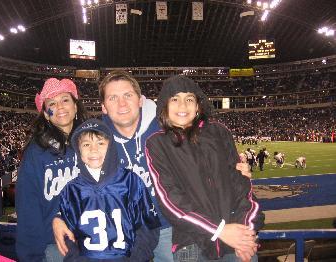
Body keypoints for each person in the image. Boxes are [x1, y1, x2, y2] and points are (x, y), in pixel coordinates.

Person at [53, 71, 252, 261]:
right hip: (124, 232)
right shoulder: (97, 136)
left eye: (128, 95)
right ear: (103, 106)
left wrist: (234, 170)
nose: (122, 103)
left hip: (173, 227)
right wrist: (60, 215)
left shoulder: (167, 126)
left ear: (140, 100)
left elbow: (204, 154)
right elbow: (79, 178)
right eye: (113, 98)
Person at [145, 75, 264, 261]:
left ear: (198, 106)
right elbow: (171, 201)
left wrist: (246, 234)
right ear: (164, 106)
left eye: (189, 99)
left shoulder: (219, 132)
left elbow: (241, 185)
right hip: (193, 240)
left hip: (236, 237)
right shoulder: (157, 144)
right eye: (175, 99)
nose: (183, 106)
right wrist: (219, 230)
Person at [59, 118, 160, 261]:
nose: (93, 149)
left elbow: (149, 226)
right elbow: (68, 236)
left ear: (111, 146)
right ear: (78, 150)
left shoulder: (130, 181)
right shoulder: (71, 191)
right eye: (86, 144)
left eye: (100, 143)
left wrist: (136, 258)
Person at [15, 78, 88, 261]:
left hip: (95, 242)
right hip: (56, 248)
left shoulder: (92, 143)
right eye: (52, 103)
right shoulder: (35, 152)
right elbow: (28, 208)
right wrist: (31, 256)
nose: (60, 107)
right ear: (46, 114)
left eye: (65, 99)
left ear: (76, 106)